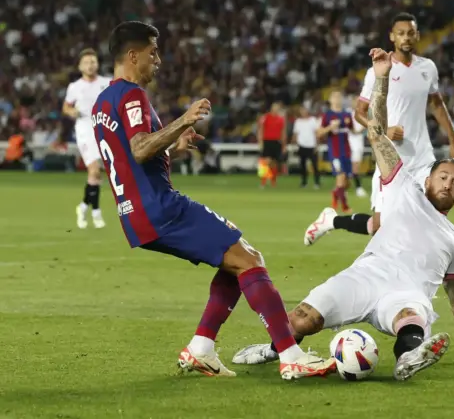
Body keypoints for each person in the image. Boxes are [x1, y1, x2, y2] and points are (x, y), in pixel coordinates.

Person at [235, 49, 454, 380]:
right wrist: (381, 78)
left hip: (405, 294)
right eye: (443, 177)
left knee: (412, 317)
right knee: (300, 320)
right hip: (365, 277)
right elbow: (377, 134)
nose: (449, 184)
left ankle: (408, 358)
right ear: (427, 179)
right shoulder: (403, 188)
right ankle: (274, 349)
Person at [92, 21, 334, 381]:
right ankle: (291, 354)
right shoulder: (131, 95)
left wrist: (175, 145)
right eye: (153, 52)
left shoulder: (103, 102)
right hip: (160, 207)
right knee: (250, 259)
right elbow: (140, 149)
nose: (158, 59)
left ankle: (201, 348)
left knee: (232, 256)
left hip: (136, 212)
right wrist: (183, 119)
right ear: (133, 55)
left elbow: (129, 156)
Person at [304, 12, 454, 244]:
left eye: (410, 33)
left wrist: (453, 139)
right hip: (390, 157)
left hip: (422, 157)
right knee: (379, 226)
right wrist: (384, 130)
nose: (406, 38)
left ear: (417, 35)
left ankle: (423, 270)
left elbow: (437, 103)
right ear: (392, 37)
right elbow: (360, 112)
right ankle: (331, 221)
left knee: (431, 211)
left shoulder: (427, 68)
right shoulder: (379, 70)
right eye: (401, 33)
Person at [62, 48, 112, 229]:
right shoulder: (75, 87)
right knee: (94, 170)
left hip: (105, 129)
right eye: (87, 62)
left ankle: (83, 206)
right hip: (85, 130)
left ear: (97, 64)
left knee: (97, 174)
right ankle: (96, 212)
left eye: (93, 62)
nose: (91, 65)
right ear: (80, 66)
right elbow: (66, 107)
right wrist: (72, 111)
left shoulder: (107, 83)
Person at [317, 89, 354, 213]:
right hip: (335, 152)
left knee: (347, 182)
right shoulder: (327, 115)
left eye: (339, 97)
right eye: (335, 97)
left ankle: (335, 193)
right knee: (341, 176)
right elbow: (319, 133)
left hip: (347, 151)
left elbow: (353, 130)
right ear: (330, 100)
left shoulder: (346, 115)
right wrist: (330, 127)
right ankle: (345, 206)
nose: (337, 99)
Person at [257, 102, 286, 188]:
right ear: (271, 109)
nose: (276, 110)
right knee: (265, 162)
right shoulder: (265, 118)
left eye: (277, 108)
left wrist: (284, 145)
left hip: (277, 142)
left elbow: (283, 132)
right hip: (267, 141)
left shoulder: (281, 119)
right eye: (275, 108)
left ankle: (273, 181)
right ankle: (263, 182)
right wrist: (260, 141)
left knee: (274, 163)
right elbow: (260, 130)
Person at [292, 106, 321, 188]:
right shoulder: (298, 121)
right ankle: (304, 182)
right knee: (302, 166)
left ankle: (317, 182)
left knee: (315, 165)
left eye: (304, 110)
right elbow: (296, 134)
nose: (303, 112)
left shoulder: (313, 120)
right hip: (302, 146)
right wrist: (295, 144)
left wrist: (317, 145)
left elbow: (317, 133)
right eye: (302, 111)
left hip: (312, 145)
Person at [348, 98, 367, 197]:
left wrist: (358, 131)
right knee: (350, 167)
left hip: (358, 143)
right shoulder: (347, 114)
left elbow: (367, 124)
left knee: (356, 166)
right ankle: (358, 188)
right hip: (348, 143)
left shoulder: (363, 114)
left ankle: (352, 187)